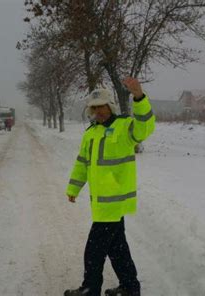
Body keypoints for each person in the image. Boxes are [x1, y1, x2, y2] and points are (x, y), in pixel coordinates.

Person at [64, 77, 155, 296]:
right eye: (94, 108)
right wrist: (74, 188)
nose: (99, 111)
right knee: (117, 248)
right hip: (101, 203)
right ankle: (130, 287)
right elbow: (82, 163)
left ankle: (90, 288)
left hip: (115, 202)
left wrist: (139, 97)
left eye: (102, 106)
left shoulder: (124, 126)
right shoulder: (91, 133)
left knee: (94, 250)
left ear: (110, 106)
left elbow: (145, 128)